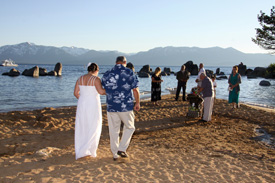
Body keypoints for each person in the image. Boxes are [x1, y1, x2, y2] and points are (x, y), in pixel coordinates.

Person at [101, 56, 140, 161]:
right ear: (125, 62)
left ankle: (115, 154)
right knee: (130, 127)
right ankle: (122, 149)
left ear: (116, 62)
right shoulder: (129, 72)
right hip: (125, 105)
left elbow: (103, 89)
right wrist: (137, 102)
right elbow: (135, 89)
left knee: (113, 130)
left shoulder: (107, 73)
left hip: (111, 106)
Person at [74, 63, 106, 160]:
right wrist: (110, 90)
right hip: (93, 105)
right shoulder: (96, 79)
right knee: (94, 125)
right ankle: (90, 150)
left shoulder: (80, 78)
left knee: (82, 125)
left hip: (82, 104)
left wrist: (83, 99)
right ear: (96, 70)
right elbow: (101, 92)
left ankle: (81, 150)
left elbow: (75, 93)